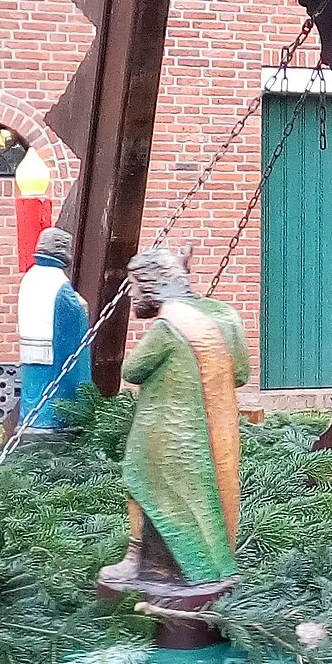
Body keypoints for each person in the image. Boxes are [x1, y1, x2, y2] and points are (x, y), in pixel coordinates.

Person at [98, 248, 250, 605]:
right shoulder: (226, 316)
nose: (134, 295)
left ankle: (140, 561)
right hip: (215, 433)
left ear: (153, 286)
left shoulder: (168, 327)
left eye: (136, 286)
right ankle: (206, 565)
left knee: (143, 485)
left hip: (164, 433)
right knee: (201, 498)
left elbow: (132, 370)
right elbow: (240, 373)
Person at [17, 228, 94, 431]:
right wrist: (82, 307)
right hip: (54, 352)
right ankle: (51, 423)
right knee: (54, 397)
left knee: (33, 393)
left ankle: (33, 421)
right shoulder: (57, 281)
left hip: (31, 349)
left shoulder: (30, 276)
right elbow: (72, 312)